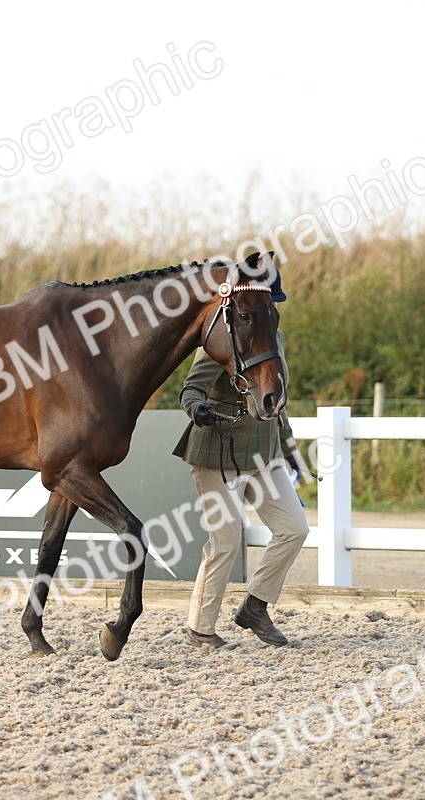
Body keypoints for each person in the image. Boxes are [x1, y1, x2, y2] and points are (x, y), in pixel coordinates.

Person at [171, 262, 309, 648]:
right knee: (226, 542)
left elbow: (276, 400)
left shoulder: (275, 339)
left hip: (264, 452)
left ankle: (255, 605)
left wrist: (290, 450)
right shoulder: (225, 336)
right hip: (219, 452)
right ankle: (201, 628)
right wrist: (197, 409)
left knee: (294, 529)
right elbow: (191, 390)